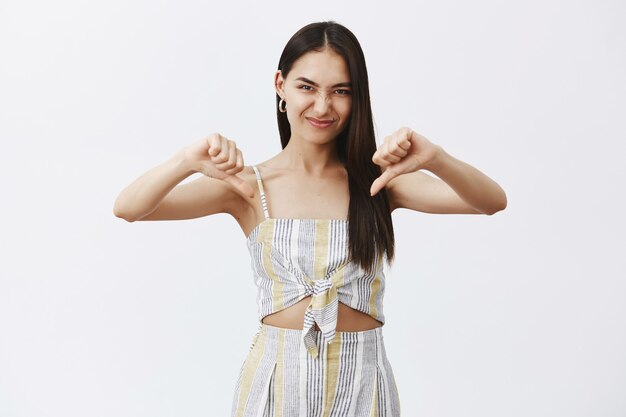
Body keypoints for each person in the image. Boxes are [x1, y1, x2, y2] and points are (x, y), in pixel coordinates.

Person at [113, 20, 507, 417]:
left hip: (362, 383)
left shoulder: (379, 183)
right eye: (307, 87)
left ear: (357, 98)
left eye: (340, 91)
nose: (322, 107)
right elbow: (129, 208)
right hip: (275, 384)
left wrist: (435, 157)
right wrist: (185, 161)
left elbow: (491, 201)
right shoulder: (250, 187)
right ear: (280, 85)